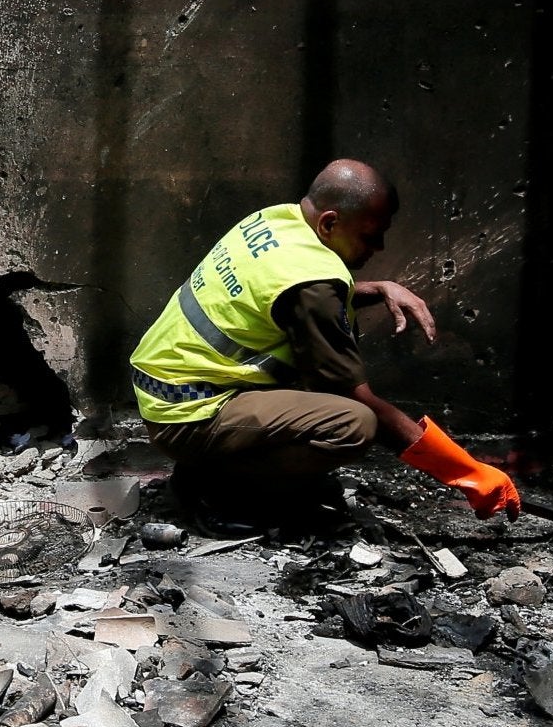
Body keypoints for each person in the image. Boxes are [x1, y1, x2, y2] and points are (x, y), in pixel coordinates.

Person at [129, 158, 520, 527]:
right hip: (189, 416)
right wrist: (466, 472)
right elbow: (359, 399)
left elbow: (291, 297)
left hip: (169, 390)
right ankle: (219, 492)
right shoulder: (312, 284)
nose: (379, 247)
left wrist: (378, 288)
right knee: (353, 424)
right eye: (372, 235)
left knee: (316, 393)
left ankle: (218, 468)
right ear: (330, 222)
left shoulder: (275, 221)